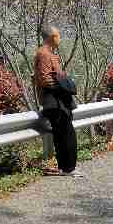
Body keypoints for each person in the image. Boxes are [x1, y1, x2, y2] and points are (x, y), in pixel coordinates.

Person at [34, 26, 79, 177]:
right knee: (66, 134)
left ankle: (65, 168)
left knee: (63, 134)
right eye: (58, 35)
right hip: (53, 101)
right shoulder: (43, 54)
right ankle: (68, 169)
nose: (59, 38)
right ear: (52, 37)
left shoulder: (49, 53)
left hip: (58, 100)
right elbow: (45, 79)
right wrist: (64, 86)